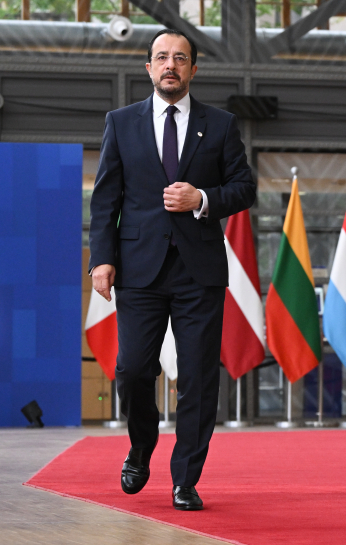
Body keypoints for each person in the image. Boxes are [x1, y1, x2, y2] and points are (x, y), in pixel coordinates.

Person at [89, 28, 255, 511]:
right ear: (149, 68)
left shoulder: (220, 124)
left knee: (198, 378)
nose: (170, 65)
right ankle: (141, 447)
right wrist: (102, 258)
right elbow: (106, 198)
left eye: (180, 58)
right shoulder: (121, 123)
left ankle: (186, 478)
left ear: (193, 70)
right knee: (132, 370)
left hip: (199, 272)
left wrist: (202, 198)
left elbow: (244, 188)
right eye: (162, 57)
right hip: (139, 270)